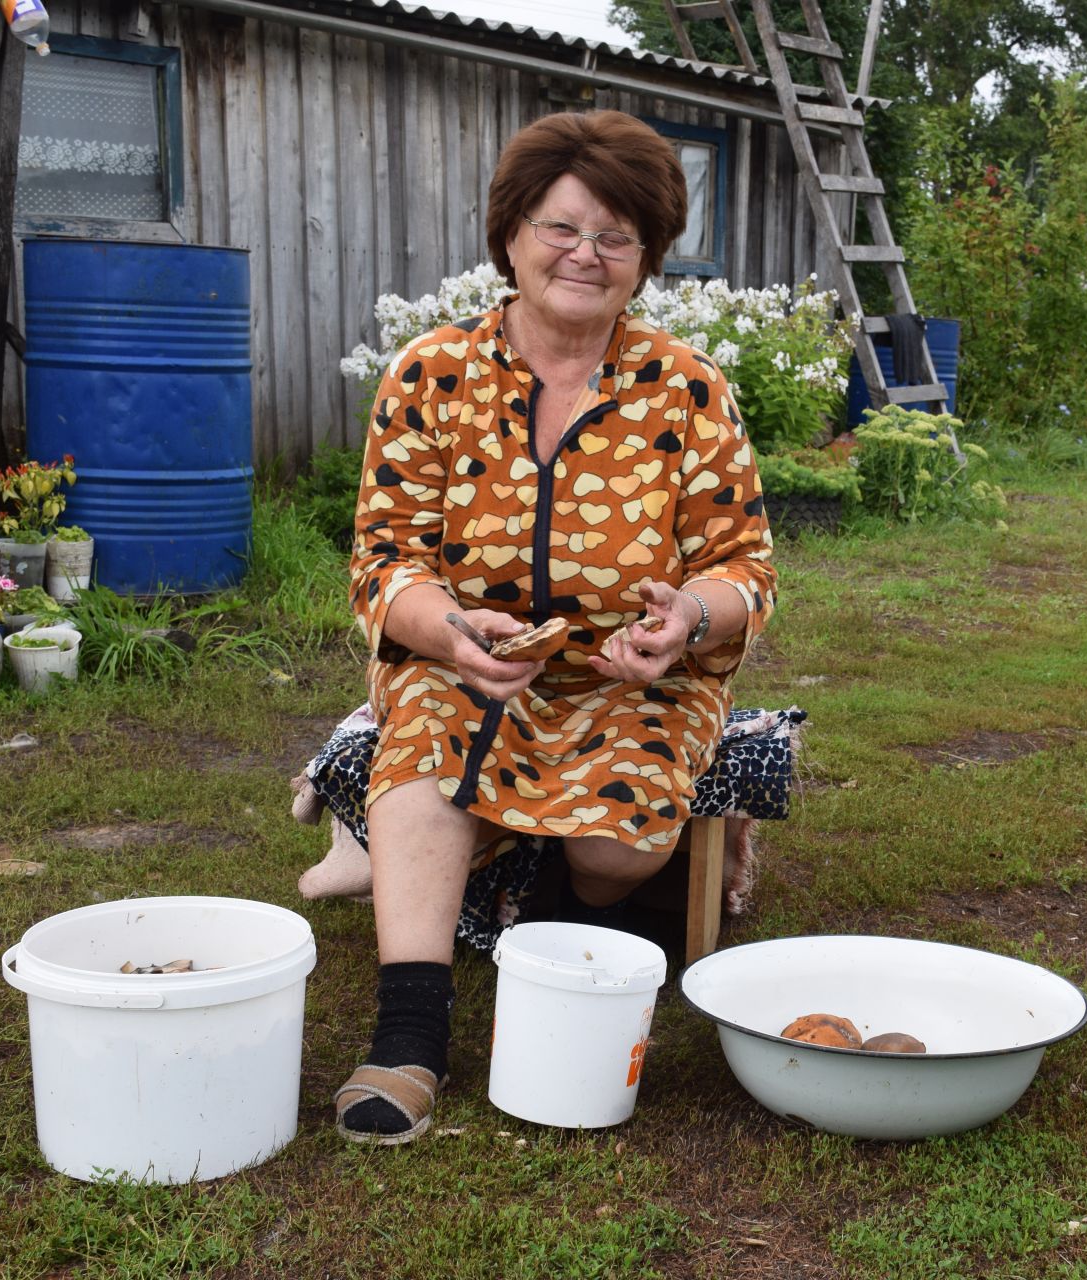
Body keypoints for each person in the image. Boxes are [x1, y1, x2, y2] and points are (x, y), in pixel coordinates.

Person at [334, 110, 777, 1144]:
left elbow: (744, 565)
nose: (587, 253)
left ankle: (568, 921)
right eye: (562, 227)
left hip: (637, 676)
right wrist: (446, 631)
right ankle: (410, 1035)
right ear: (512, 233)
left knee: (621, 842)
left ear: (646, 259)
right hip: (467, 662)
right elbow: (384, 556)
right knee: (424, 750)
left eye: (616, 236)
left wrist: (685, 619)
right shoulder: (431, 375)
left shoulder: (689, 389)